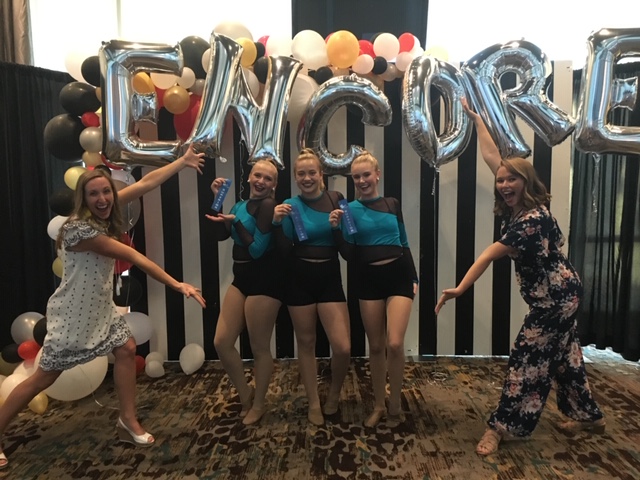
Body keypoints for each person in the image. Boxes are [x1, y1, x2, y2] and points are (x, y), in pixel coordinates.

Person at [0, 152, 208, 469]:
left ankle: (127, 421)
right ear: (83, 199)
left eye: (106, 191)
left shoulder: (103, 213)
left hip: (99, 308)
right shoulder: (79, 230)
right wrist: (177, 284)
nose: (102, 199)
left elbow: (146, 184)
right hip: (73, 314)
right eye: (94, 194)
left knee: (126, 348)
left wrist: (182, 162)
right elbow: (134, 257)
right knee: (42, 378)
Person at [435, 100, 605, 456]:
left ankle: (500, 428)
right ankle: (589, 417)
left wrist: (460, 288)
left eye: (511, 178)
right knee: (566, 355)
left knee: (527, 360)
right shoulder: (520, 209)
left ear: (526, 181)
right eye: (500, 179)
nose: (503, 184)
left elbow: (488, 255)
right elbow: (491, 155)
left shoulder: (530, 221)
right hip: (562, 292)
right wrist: (477, 120)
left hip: (555, 300)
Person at [330, 151, 418, 428]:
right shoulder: (348, 210)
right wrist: (336, 230)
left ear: (377, 175)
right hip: (368, 280)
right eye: (356, 177)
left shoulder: (392, 203)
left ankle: (395, 405)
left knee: (395, 343)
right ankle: (379, 404)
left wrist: (414, 276)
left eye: (366, 174)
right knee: (376, 345)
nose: (361, 181)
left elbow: (404, 241)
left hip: (399, 277)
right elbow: (349, 254)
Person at [271, 148, 351, 426]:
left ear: (321, 174)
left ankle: (334, 394)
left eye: (311, 172)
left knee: (342, 347)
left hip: (329, 278)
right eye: (301, 173)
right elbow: (284, 250)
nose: (307, 178)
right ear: (295, 177)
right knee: (306, 343)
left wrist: (338, 228)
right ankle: (314, 403)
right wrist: (277, 223)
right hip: (298, 279)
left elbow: (348, 246)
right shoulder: (289, 205)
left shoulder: (337, 199)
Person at [206, 159, 283, 426]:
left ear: (274, 185)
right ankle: (245, 395)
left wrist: (236, 223)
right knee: (221, 342)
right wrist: (217, 199)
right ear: (249, 177)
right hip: (241, 279)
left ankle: (259, 404)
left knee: (259, 347)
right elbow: (218, 234)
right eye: (257, 175)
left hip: (266, 280)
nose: (261, 181)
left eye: (268, 178)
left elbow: (258, 250)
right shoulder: (239, 205)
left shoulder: (268, 206)